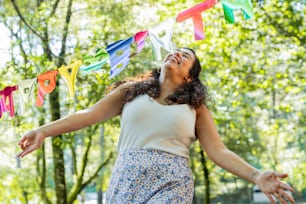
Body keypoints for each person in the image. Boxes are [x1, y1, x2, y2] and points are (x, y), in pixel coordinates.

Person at [18, 48, 295, 204]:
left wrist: (256, 175)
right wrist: (43, 130)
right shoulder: (131, 92)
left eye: (185, 57)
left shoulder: (195, 108)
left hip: (172, 182)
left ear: (189, 77)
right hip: (126, 178)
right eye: (176, 51)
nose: (177, 54)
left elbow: (219, 151)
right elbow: (88, 114)